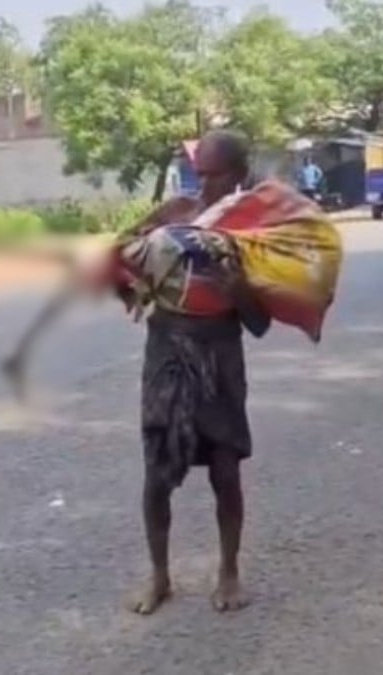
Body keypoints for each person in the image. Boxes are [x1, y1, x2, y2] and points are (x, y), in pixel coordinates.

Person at [126, 130, 270, 616]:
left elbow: (260, 323)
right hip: (165, 355)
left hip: (220, 359)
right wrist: (135, 285)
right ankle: (160, 575)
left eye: (216, 175)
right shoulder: (173, 213)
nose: (204, 184)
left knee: (226, 473)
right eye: (199, 173)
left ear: (240, 175)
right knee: (157, 475)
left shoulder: (254, 232)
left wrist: (238, 291)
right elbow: (120, 257)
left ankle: (229, 571)